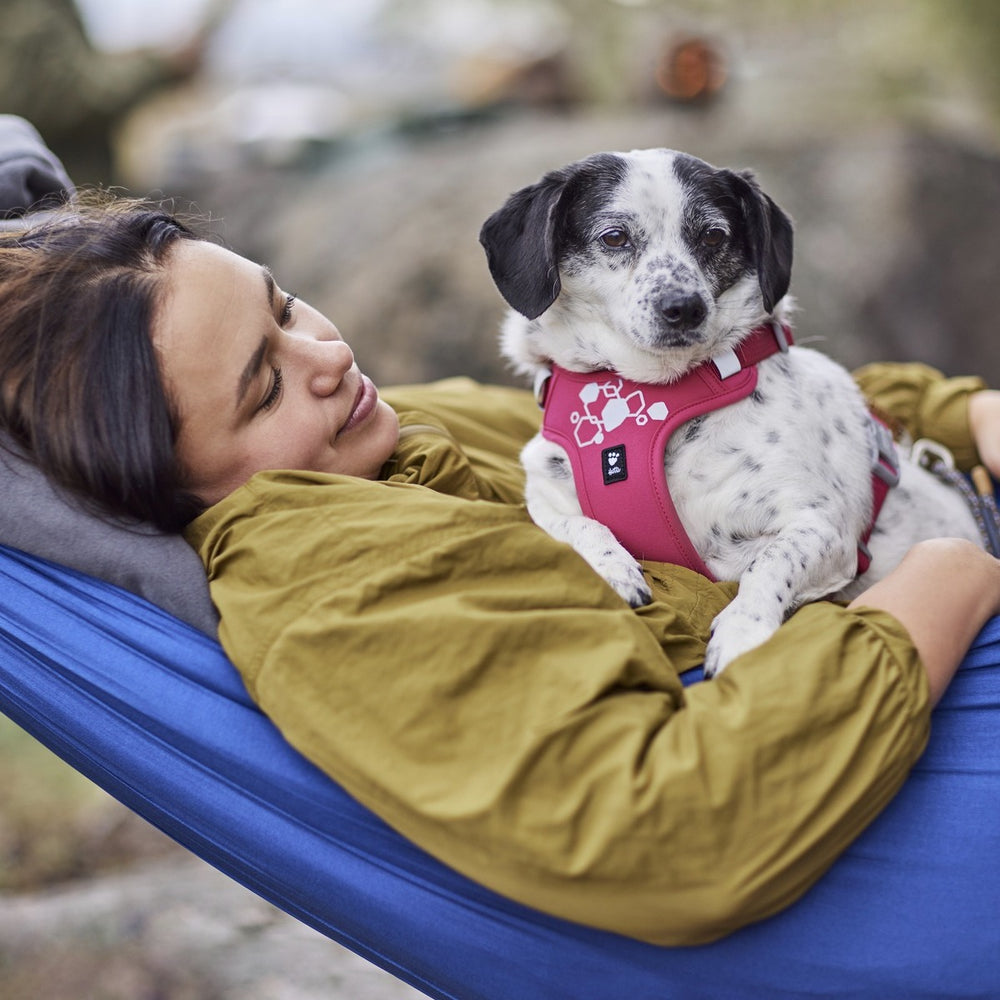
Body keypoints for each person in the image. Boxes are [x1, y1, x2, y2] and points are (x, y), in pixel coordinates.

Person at [1, 195, 999, 947]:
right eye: (265, 388)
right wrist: (941, 577)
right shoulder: (337, 597)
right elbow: (668, 834)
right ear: (172, 487)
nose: (329, 353)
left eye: (287, 304)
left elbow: (737, 420)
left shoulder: (387, 437)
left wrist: (958, 415)